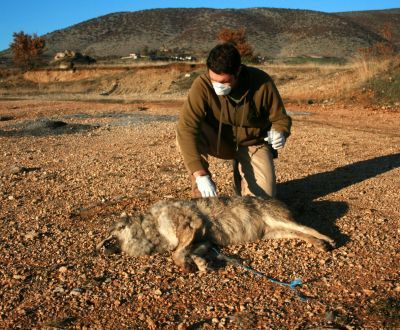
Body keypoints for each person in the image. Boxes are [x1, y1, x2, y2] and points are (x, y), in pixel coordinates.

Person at [176, 42, 291, 198]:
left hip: (253, 143)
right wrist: (200, 174)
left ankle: (242, 173)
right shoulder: (202, 84)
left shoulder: (262, 82)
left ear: (238, 71)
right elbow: (186, 128)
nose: (217, 86)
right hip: (220, 141)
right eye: (213, 80)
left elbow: (281, 119)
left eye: (224, 82)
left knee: (263, 200)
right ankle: (202, 198)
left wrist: (280, 132)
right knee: (187, 134)